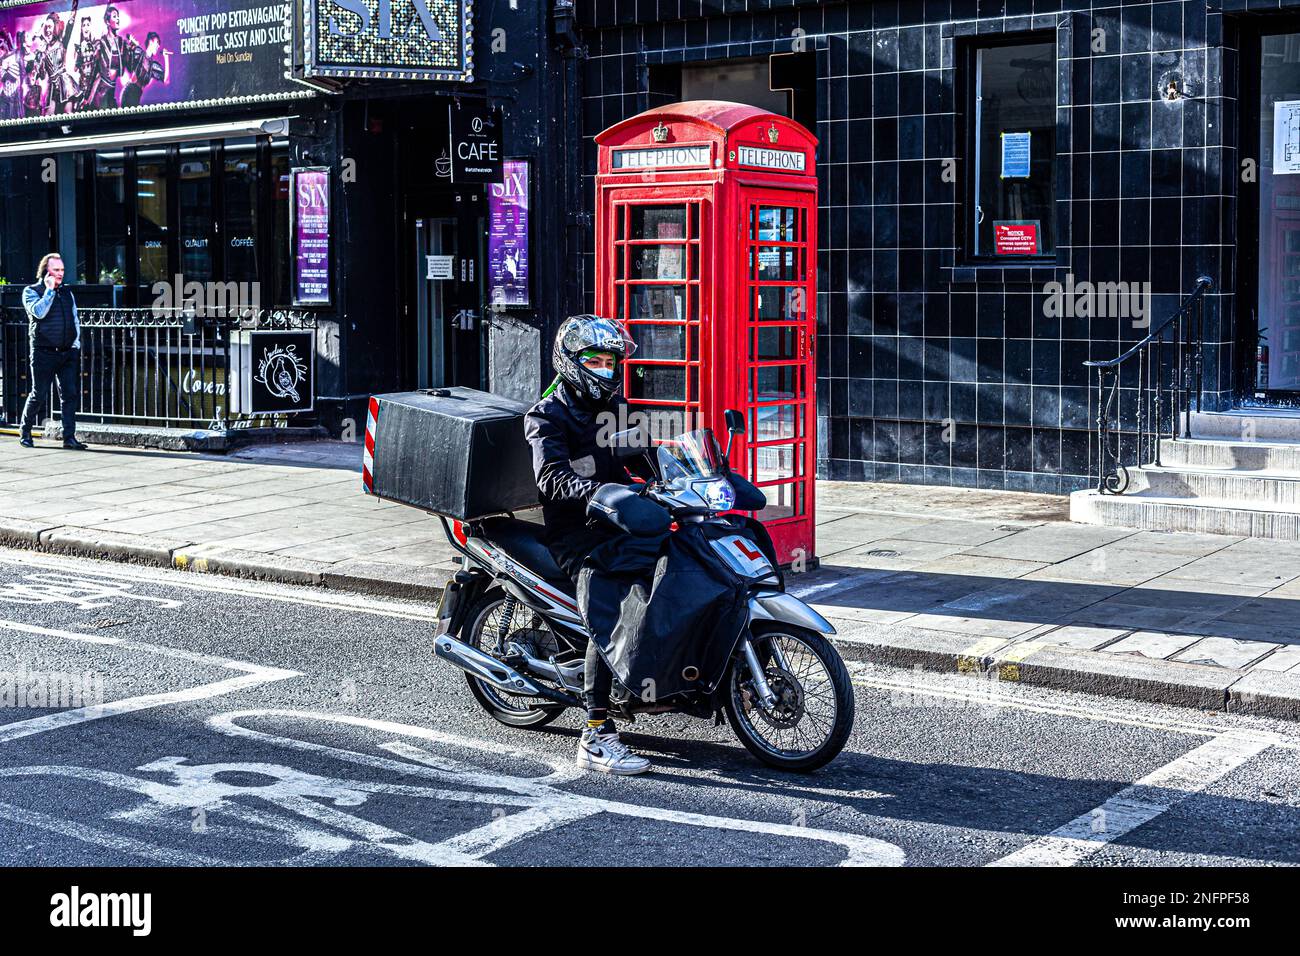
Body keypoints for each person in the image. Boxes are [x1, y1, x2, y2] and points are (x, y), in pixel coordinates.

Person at [524, 315, 651, 776]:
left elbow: (646, 455)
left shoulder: (617, 407)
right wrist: (596, 491)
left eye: (610, 361)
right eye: (593, 360)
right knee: (612, 609)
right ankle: (596, 734)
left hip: (622, 520)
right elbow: (550, 477)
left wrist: (683, 475)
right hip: (577, 532)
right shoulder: (546, 415)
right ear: (570, 361)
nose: (604, 369)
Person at [20, 253, 87, 450]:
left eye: (62, 270)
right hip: (43, 352)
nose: (60, 274)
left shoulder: (67, 293)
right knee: (38, 394)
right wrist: (49, 291)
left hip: (67, 353)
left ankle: (69, 437)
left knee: (69, 395)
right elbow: (38, 312)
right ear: (45, 271)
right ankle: (25, 432)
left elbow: (74, 318)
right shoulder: (31, 291)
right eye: (56, 270)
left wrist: (75, 344)